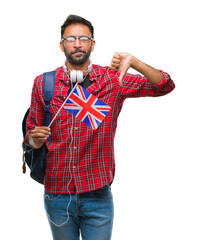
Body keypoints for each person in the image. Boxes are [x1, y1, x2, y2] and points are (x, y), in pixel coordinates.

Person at [26, 15, 175, 240]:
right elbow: (29, 136)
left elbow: (164, 85)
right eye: (71, 38)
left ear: (92, 44)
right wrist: (34, 139)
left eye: (84, 38)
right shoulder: (43, 83)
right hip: (57, 195)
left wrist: (133, 61)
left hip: (98, 195)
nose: (77, 43)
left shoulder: (113, 80)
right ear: (61, 44)